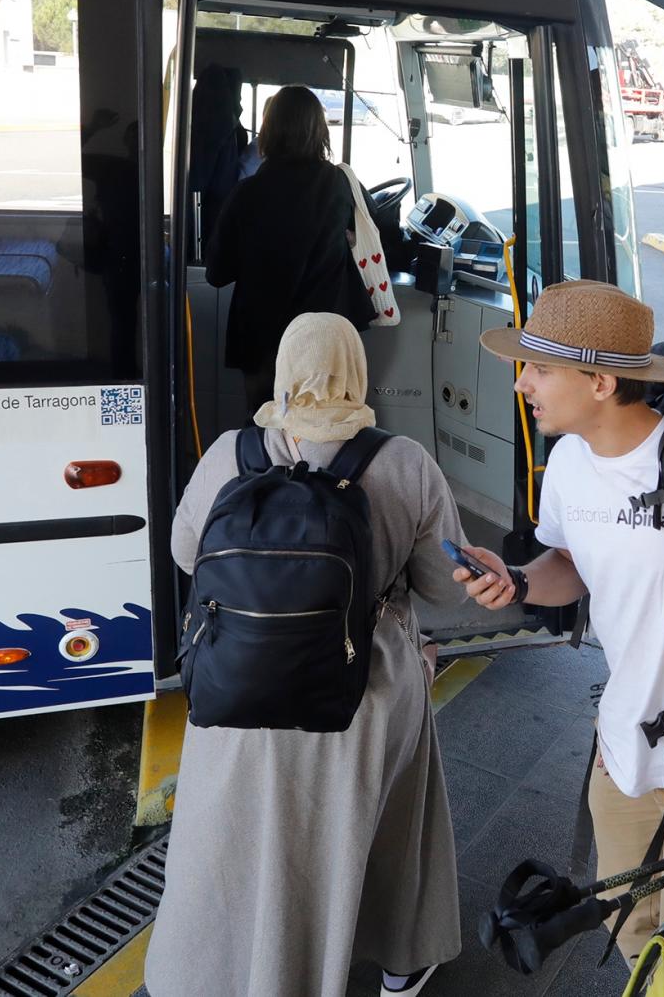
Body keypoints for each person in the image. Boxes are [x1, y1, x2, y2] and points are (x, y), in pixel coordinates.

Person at [456, 280, 664, 968]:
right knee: (636, 945)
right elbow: (572, 561)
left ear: (602, 381)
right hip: (622, 754)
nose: (523, 384)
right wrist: (517, 579)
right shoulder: (569, 463)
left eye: (541, 368)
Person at [145, 313, 462, 997]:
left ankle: (217, 973)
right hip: (359, 695)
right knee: (391, 819)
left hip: (237, 685)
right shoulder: (405, 462)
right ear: (358, 370)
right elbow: (442, 587)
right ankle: (401, 963)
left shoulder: (231, 453)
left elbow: (184, 551)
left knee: (224, 839)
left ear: (284, 371)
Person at [205, 85, 374, 411]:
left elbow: (216, 273)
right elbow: (375, 231)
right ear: (320, 131)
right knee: (322, 430)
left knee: (265, 430)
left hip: (261, 341)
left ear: (268, 131)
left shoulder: (246, 194)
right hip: (324, 341)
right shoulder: (339, 185)